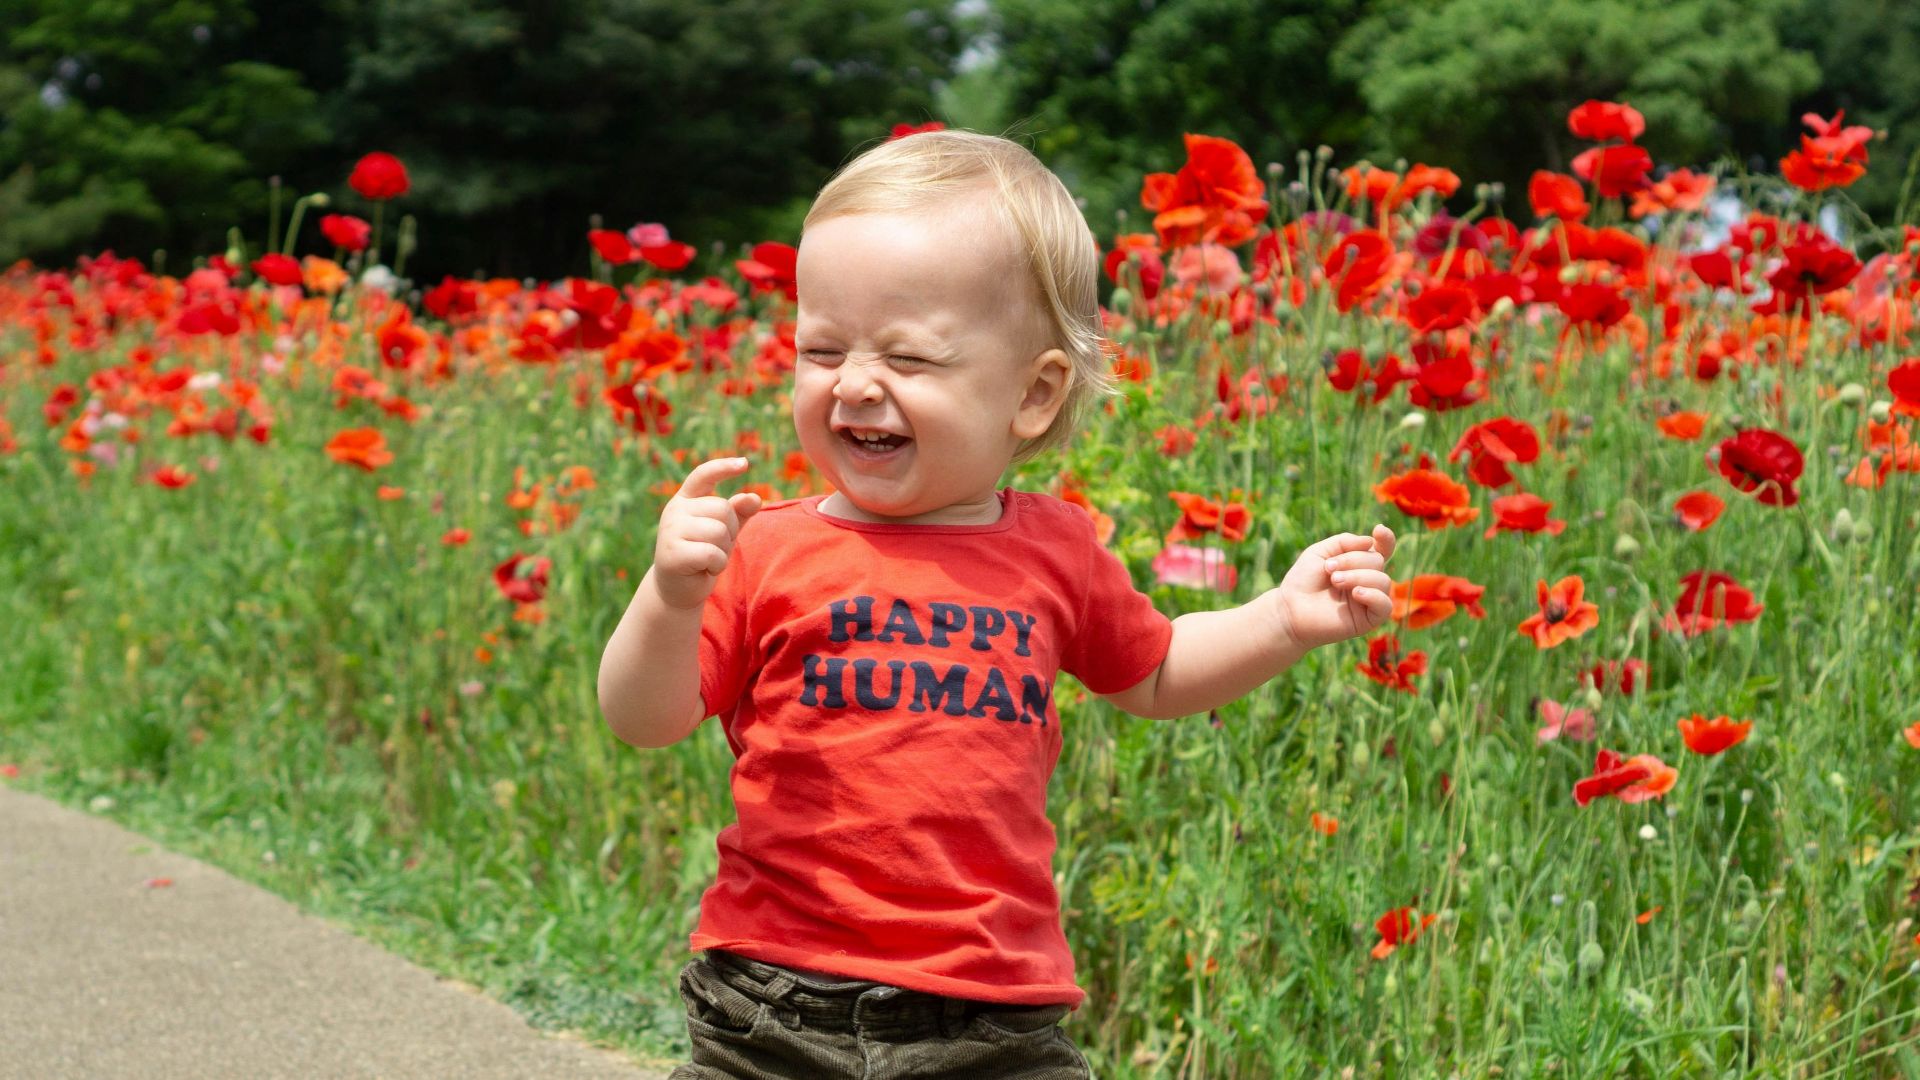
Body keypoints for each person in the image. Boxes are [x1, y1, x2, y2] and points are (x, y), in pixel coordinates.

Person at [597, 129, 1397, 1079]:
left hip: (991, 1015)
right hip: (775, 999)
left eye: (909, 358)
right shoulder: (765, 547)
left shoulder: (1056, 550)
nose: (854, 383)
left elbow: (1156, 673)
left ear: (1034, 393)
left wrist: (1281, 619)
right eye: (821, 349)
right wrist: (668, 596)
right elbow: (644, 718)